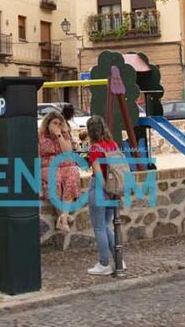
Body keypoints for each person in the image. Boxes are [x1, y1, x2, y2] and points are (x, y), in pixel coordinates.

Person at [85, 115, 123, 276]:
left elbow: (98, 174)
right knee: (107, 226)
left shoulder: (94, 149)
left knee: (99, 227)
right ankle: (119, 260)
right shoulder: (112, 145)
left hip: (101, 189)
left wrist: (104, 191)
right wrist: (113, 192)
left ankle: (104, 263)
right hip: (115, 188)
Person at [38, 112, 82, 232]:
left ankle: (63, 217)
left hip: (65, 165)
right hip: (48, 167)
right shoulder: (40, 136)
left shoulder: (64, 134)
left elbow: (67, 152)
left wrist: (59, 135)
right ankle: (65, 216)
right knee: (55, 180)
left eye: (59, 123)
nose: (57, 125)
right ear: (48, 124)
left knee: (73, 174)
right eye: (54, 123)